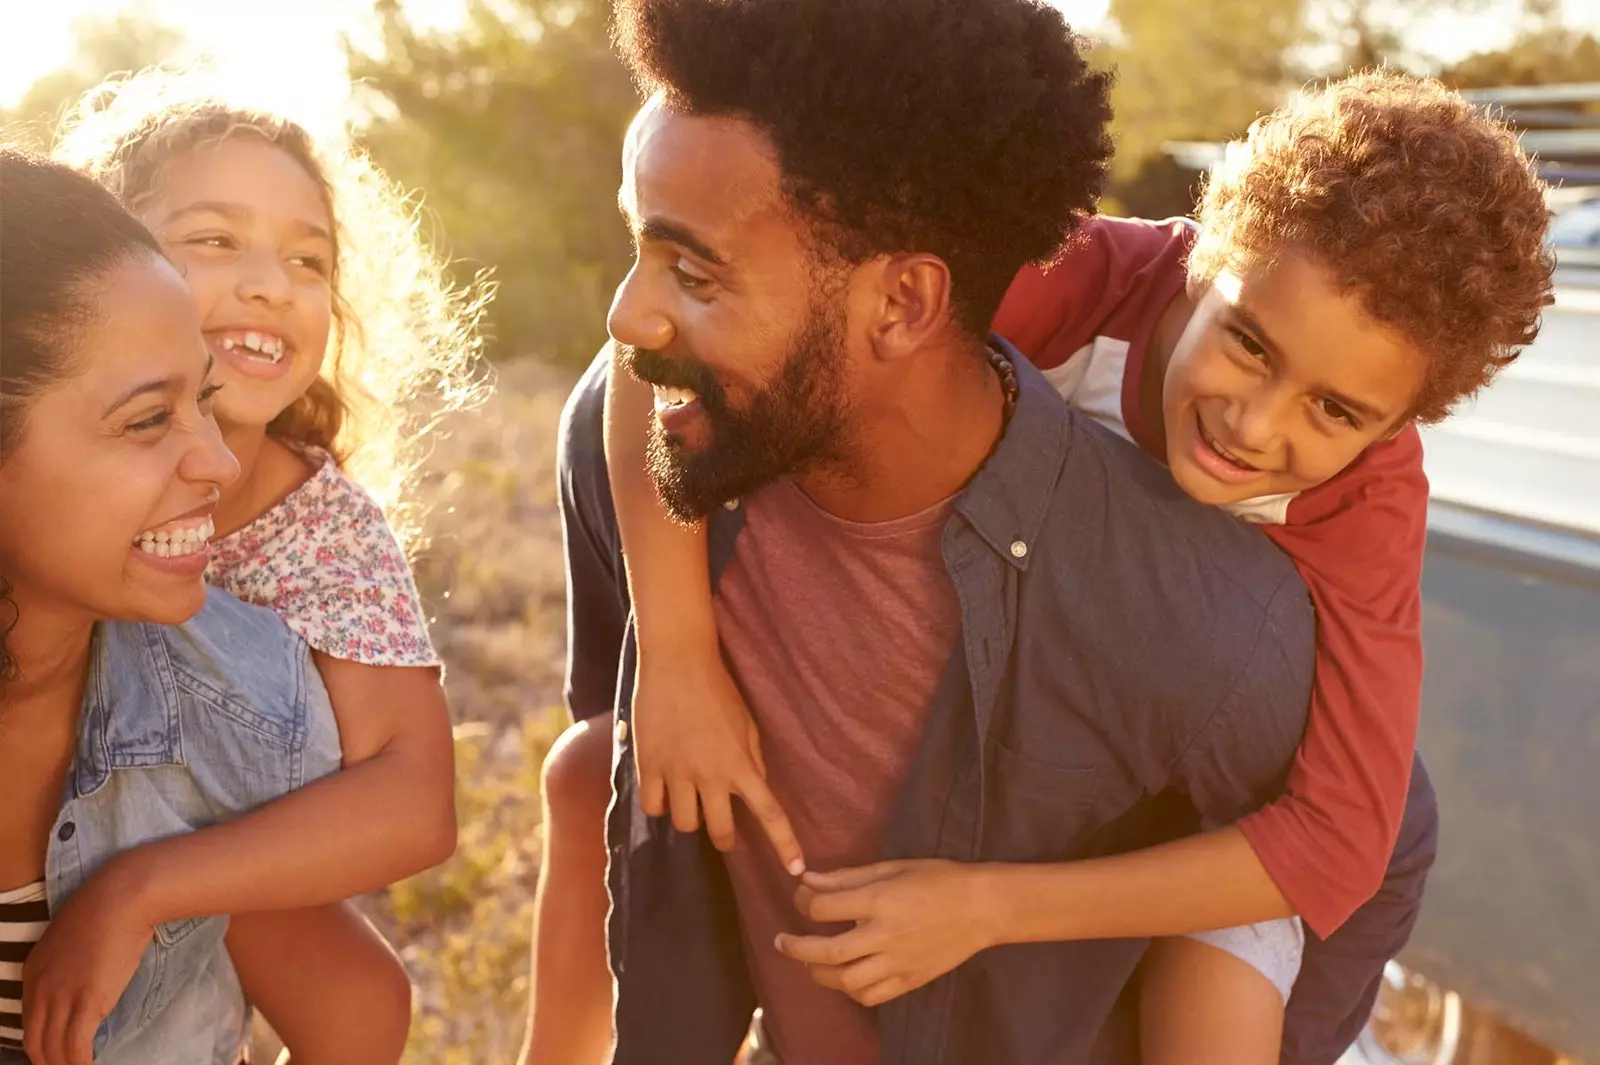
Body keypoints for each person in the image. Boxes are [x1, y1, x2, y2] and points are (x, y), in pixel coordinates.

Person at [559, 69, 1555, 1064]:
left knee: (1224, 1002)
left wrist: (990, 908)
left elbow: (1341, 836)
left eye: (1334, 411)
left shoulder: (1367, 499)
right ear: (1207, 261)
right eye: (1247, 343)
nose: (1256, 424)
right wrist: (679, 655)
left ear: (1397, 423)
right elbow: (672, 358)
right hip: (1043, 713)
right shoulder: (1077, 279)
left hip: (1209, 821)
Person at [20, 70, 492, 1064]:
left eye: (309, 260)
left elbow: (414, 800)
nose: (272, 284)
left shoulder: (318, 535)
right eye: (215, 241)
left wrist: (158, 887)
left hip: (221, 883)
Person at [0, 146, 338, 1065]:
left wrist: (152, 886)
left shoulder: (242, 698)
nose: (220, 463)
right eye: (149, 419)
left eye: (207, 400)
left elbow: (357, 1005)